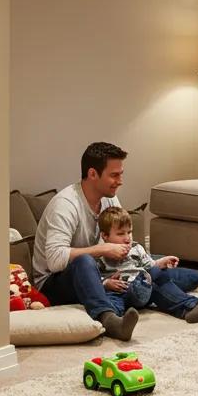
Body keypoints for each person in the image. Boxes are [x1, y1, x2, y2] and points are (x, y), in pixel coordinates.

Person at [32, 142, 138, 340]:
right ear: (92, 174)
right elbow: (55, 261)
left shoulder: (109, 200)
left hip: (96, 272)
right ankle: (109, 319)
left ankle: (186, 305)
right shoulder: (66, 205)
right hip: (52, 283)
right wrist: (102, 249)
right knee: (85, 261)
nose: (120, 181)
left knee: (146, 260)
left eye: (121, 174)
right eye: (114, 175)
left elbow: (119, 237)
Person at [96, 207, 198, 324]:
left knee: (158, 278)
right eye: (120, 234)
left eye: (129, 232)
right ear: (105, 236)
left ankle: (192, 307)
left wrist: (162, 262)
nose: (127, 238)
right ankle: (117, 322)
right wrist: (106, 283)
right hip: (121, 292)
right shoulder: (101, 255)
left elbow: (150, 265)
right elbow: (94, 279)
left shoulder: (136, 248)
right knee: (110, 300)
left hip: (145, 287)